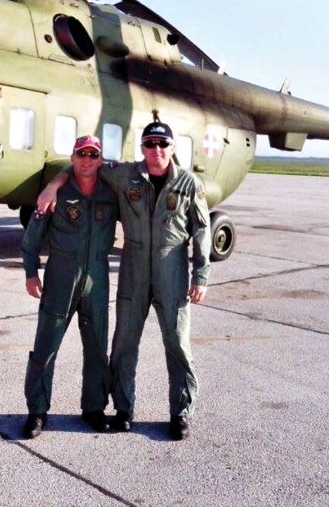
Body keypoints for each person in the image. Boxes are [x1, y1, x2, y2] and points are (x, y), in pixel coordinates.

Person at [38, 121, 211, 441]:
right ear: (142, 148)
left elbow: (202, 230)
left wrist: (201, 275)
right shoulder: (125, 174)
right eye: (150, 144)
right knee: (124, 343)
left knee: (177, 342)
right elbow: (84, 165)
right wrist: (54, 185)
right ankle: (123, 408)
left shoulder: (188, 183)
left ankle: (180, 412)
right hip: (133, 267)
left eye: (163, 144)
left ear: (173, 148)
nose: (156, 150)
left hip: (172, 268)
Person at [21, 135, 118, 438]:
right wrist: (31, 273)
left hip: (97, 277)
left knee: (97, 347)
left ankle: (94, 408)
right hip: (61, 273)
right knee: (46, 344)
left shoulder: (111, 192)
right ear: (73, 157)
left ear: (100, 160)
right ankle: (37, 411)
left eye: (93, 154)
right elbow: (32, 238)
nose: (87, 159)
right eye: (81, 154)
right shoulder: (56, 194)